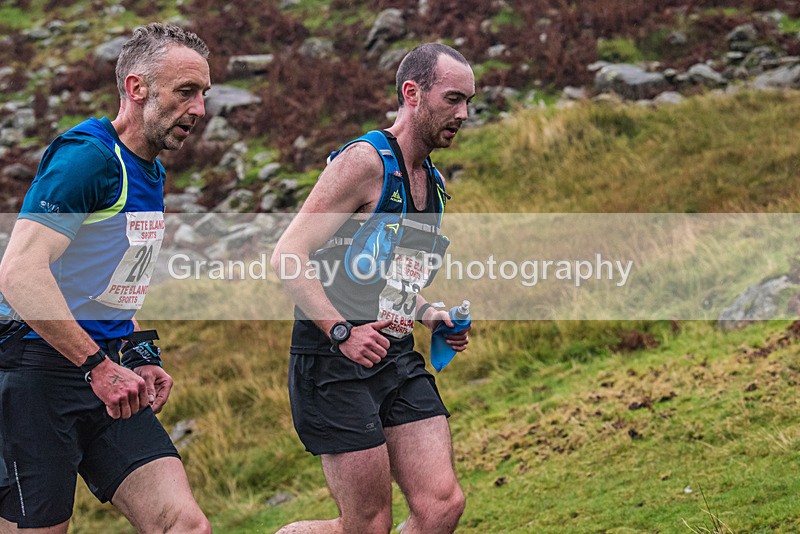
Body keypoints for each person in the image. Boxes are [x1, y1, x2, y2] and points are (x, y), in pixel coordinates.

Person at [0, 23, 212, 533]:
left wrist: (138, 353)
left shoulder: (149, 169)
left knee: (183, 525)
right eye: (186, 91)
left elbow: (115, 280)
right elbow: (19, 273)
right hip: (35, 376)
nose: (200, 109)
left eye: (204, 94)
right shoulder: (88, 158)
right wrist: (97, 364)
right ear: (137, 88)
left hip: (106, 374)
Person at [271, 43, 475, 533]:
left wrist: (429, 314)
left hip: (396, 357)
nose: (463, 114)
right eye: (452, 99)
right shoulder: (365, 162)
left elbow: (391, 277)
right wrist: (343, 332)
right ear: (412, 93)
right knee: (366, 525)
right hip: (333, 362)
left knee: (441, 506)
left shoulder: (434, 183)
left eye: (469, 101)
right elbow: (287, 256)